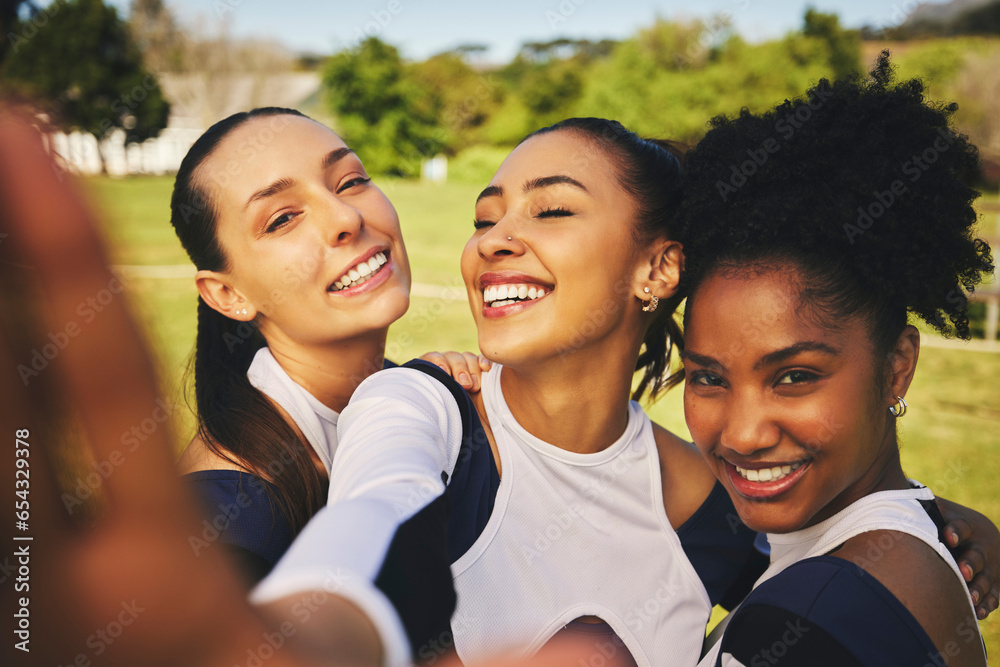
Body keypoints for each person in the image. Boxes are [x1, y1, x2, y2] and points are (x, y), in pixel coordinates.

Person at [248, 116, 1000, 666]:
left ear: (658, 269)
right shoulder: (421, 407)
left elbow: (851, 552)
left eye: (552, 208)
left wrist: (939, 520)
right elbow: (370, 522)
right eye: (486, 216)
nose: (494, 239)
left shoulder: (719, 507)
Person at [674, 54, 992, 665]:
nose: (741, 434)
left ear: (897, 366)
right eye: (708, 377)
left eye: (793, 377)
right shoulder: (879, 544)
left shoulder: (822, 613)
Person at [168, 107, 488, 584]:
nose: (346, 217)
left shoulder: (418, 397)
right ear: (228, 294)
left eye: (351, 181)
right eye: (281, 219)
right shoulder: (229, 521)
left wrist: (453, 415)